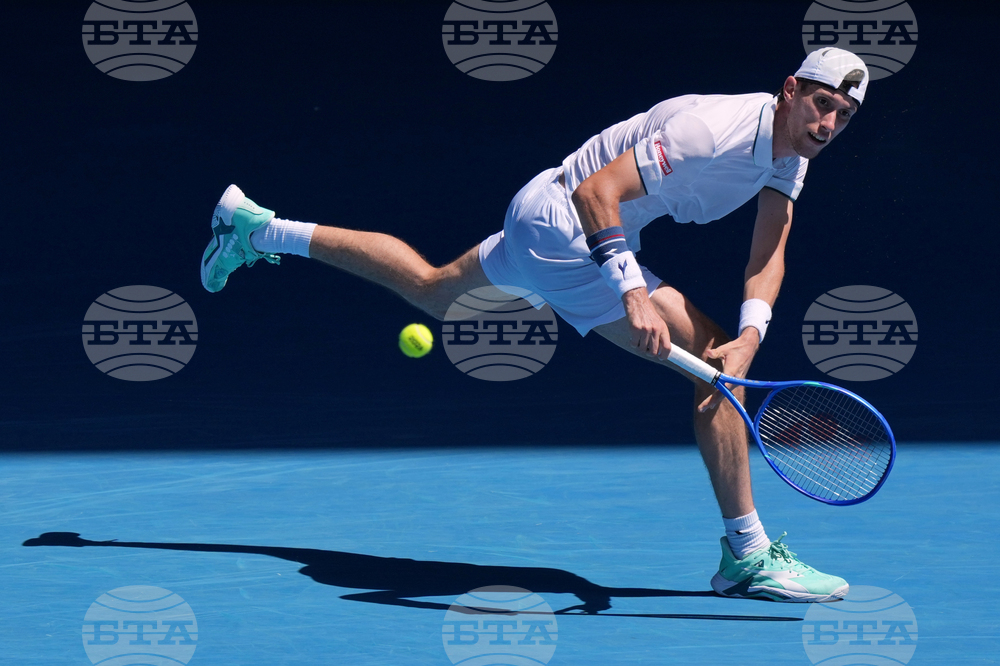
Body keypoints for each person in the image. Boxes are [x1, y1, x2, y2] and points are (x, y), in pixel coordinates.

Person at [201, 48, 869, 603]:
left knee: (433, 289)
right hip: (564, 229)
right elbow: (596, 194)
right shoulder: (712, 132)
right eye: (821, 103)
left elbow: (769, 251)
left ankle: (261, 231)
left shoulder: (790, 157)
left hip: (542, 212)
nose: (829, 121)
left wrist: (753, 334)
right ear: (790, 90)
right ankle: (747, 557)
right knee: (714, 373)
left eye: (844, 114)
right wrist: (631, 291)